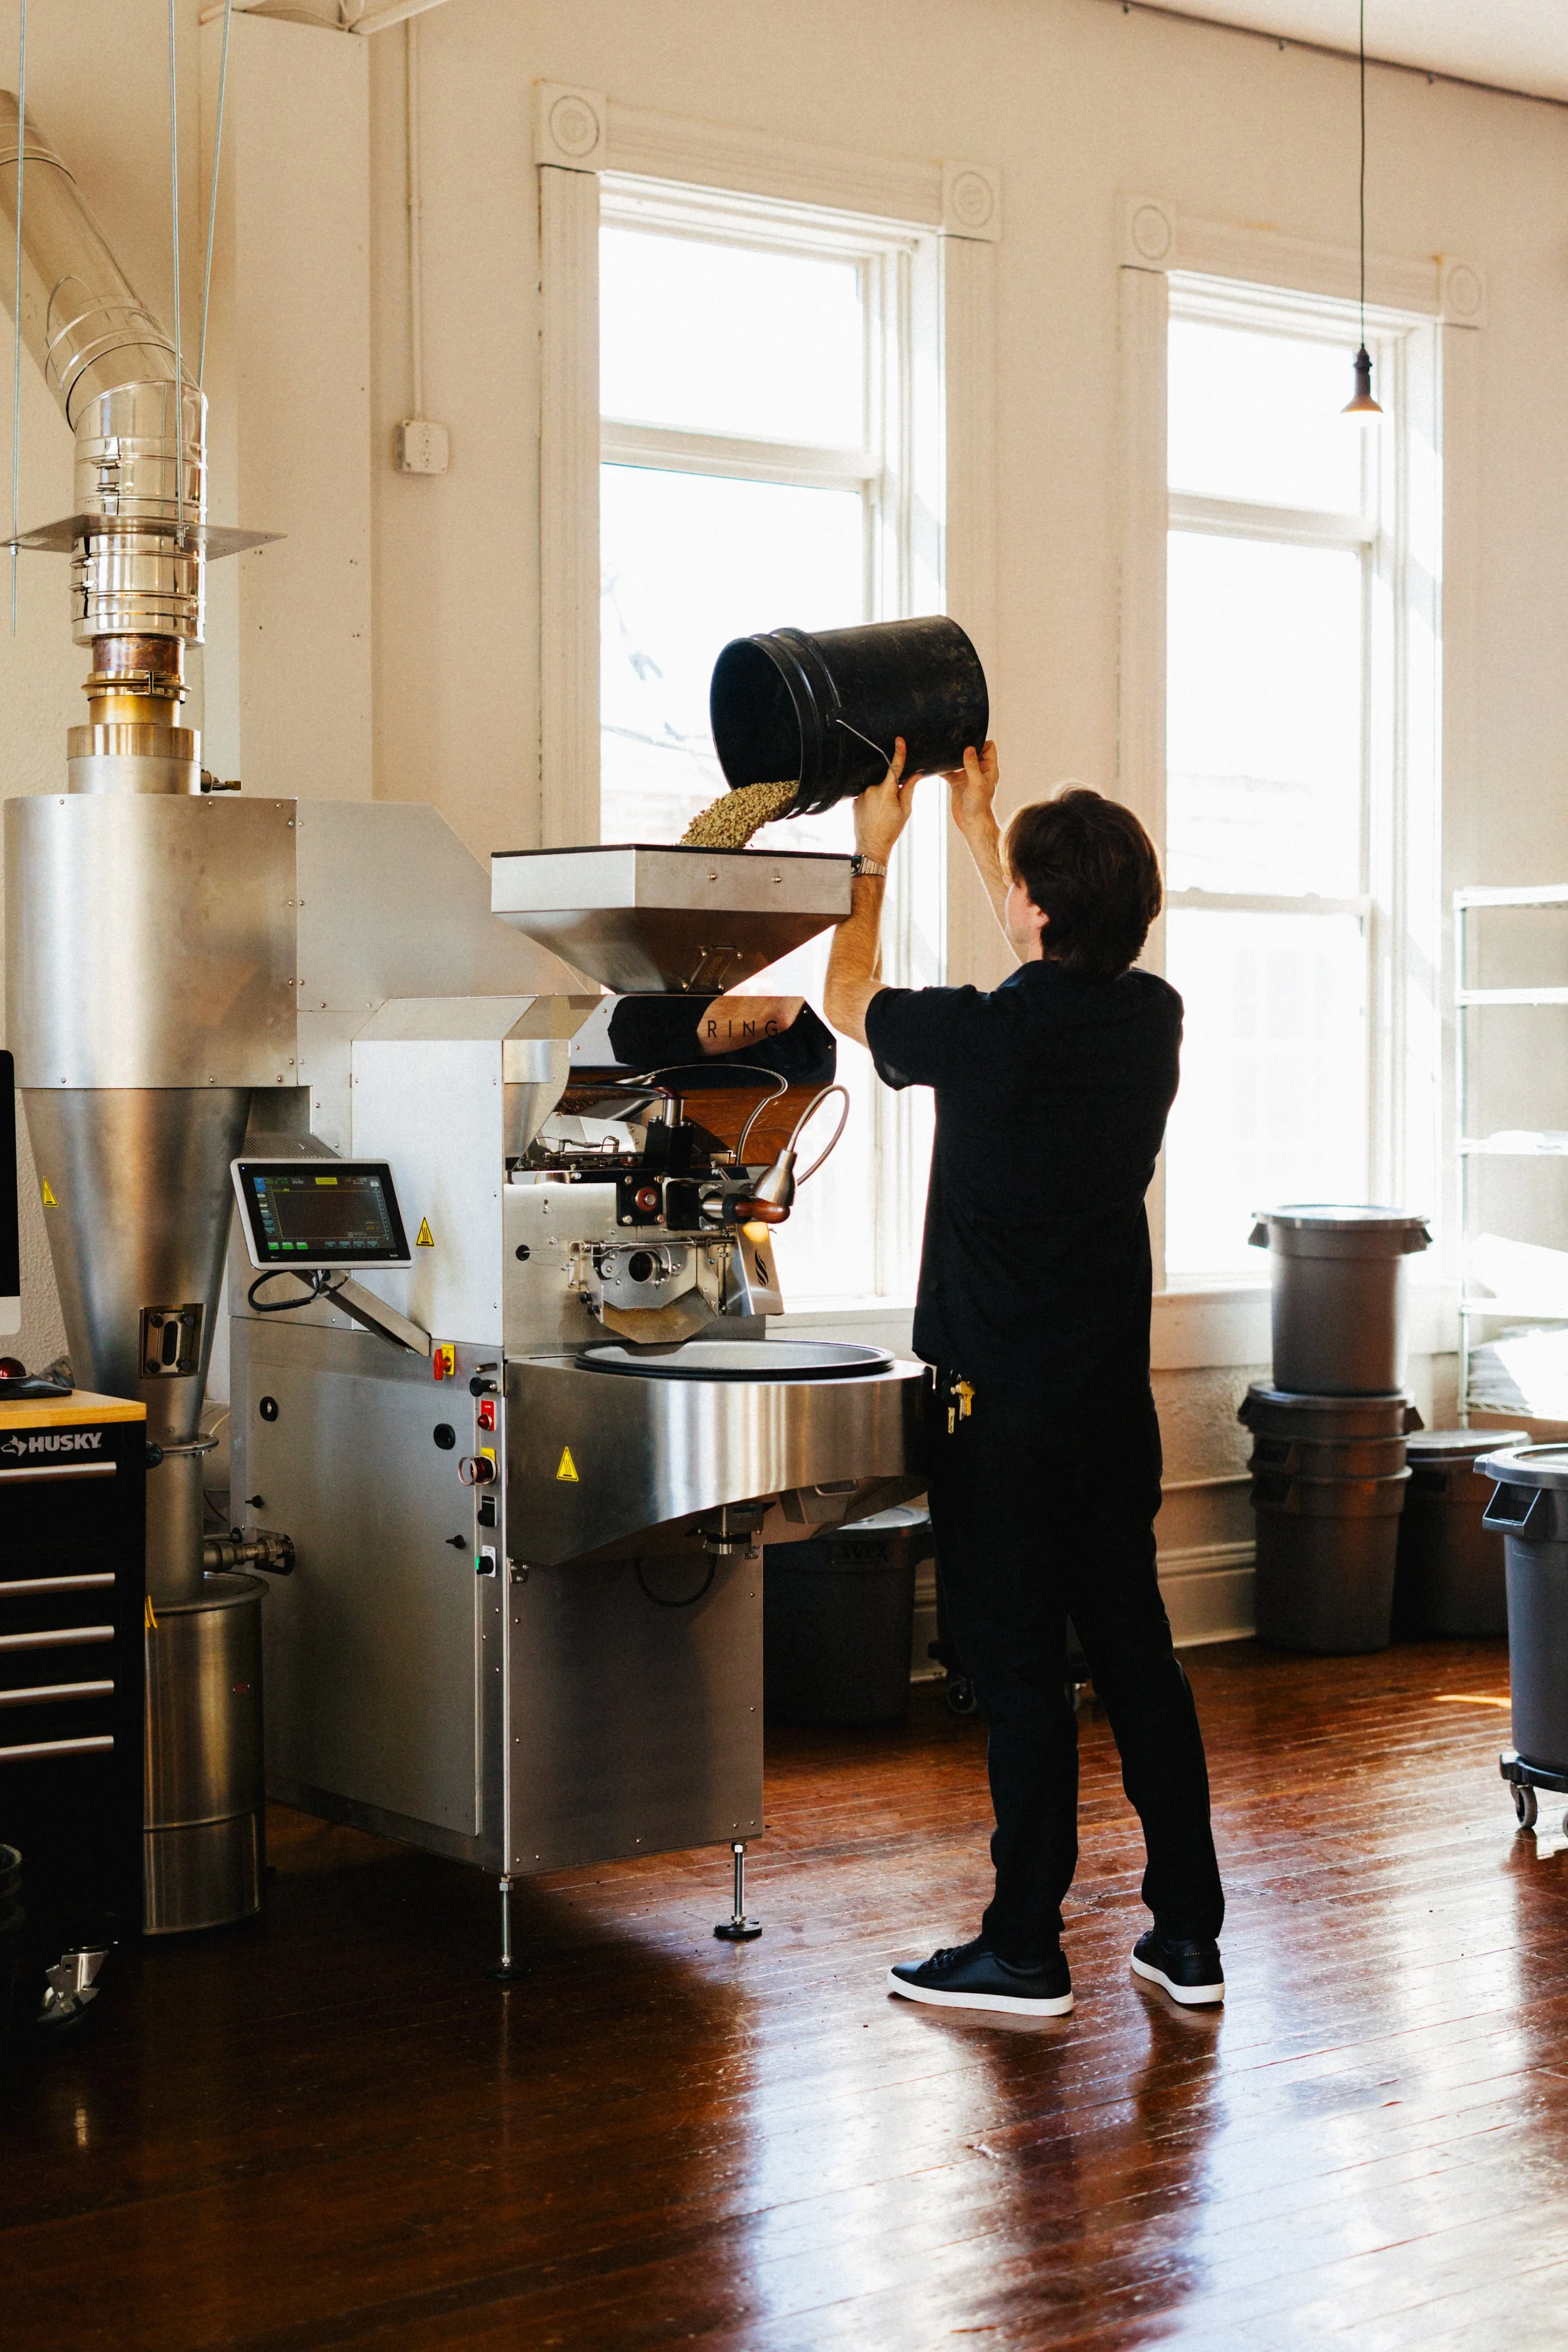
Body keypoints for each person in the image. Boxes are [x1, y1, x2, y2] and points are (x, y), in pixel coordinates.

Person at [822, 736, 1225, 2018]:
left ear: (1037, 909)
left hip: (995, 1408)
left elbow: (846, 996)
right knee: (1134, 1654)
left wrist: (873, 854)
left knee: (1014, 1672)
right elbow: (1050, 963)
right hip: (1110, 1400)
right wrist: (983, 821)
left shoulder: (985, 1036)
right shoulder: (1146, 1017)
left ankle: (1023, 1946)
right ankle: (1187, 1939)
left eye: (1015, 886)